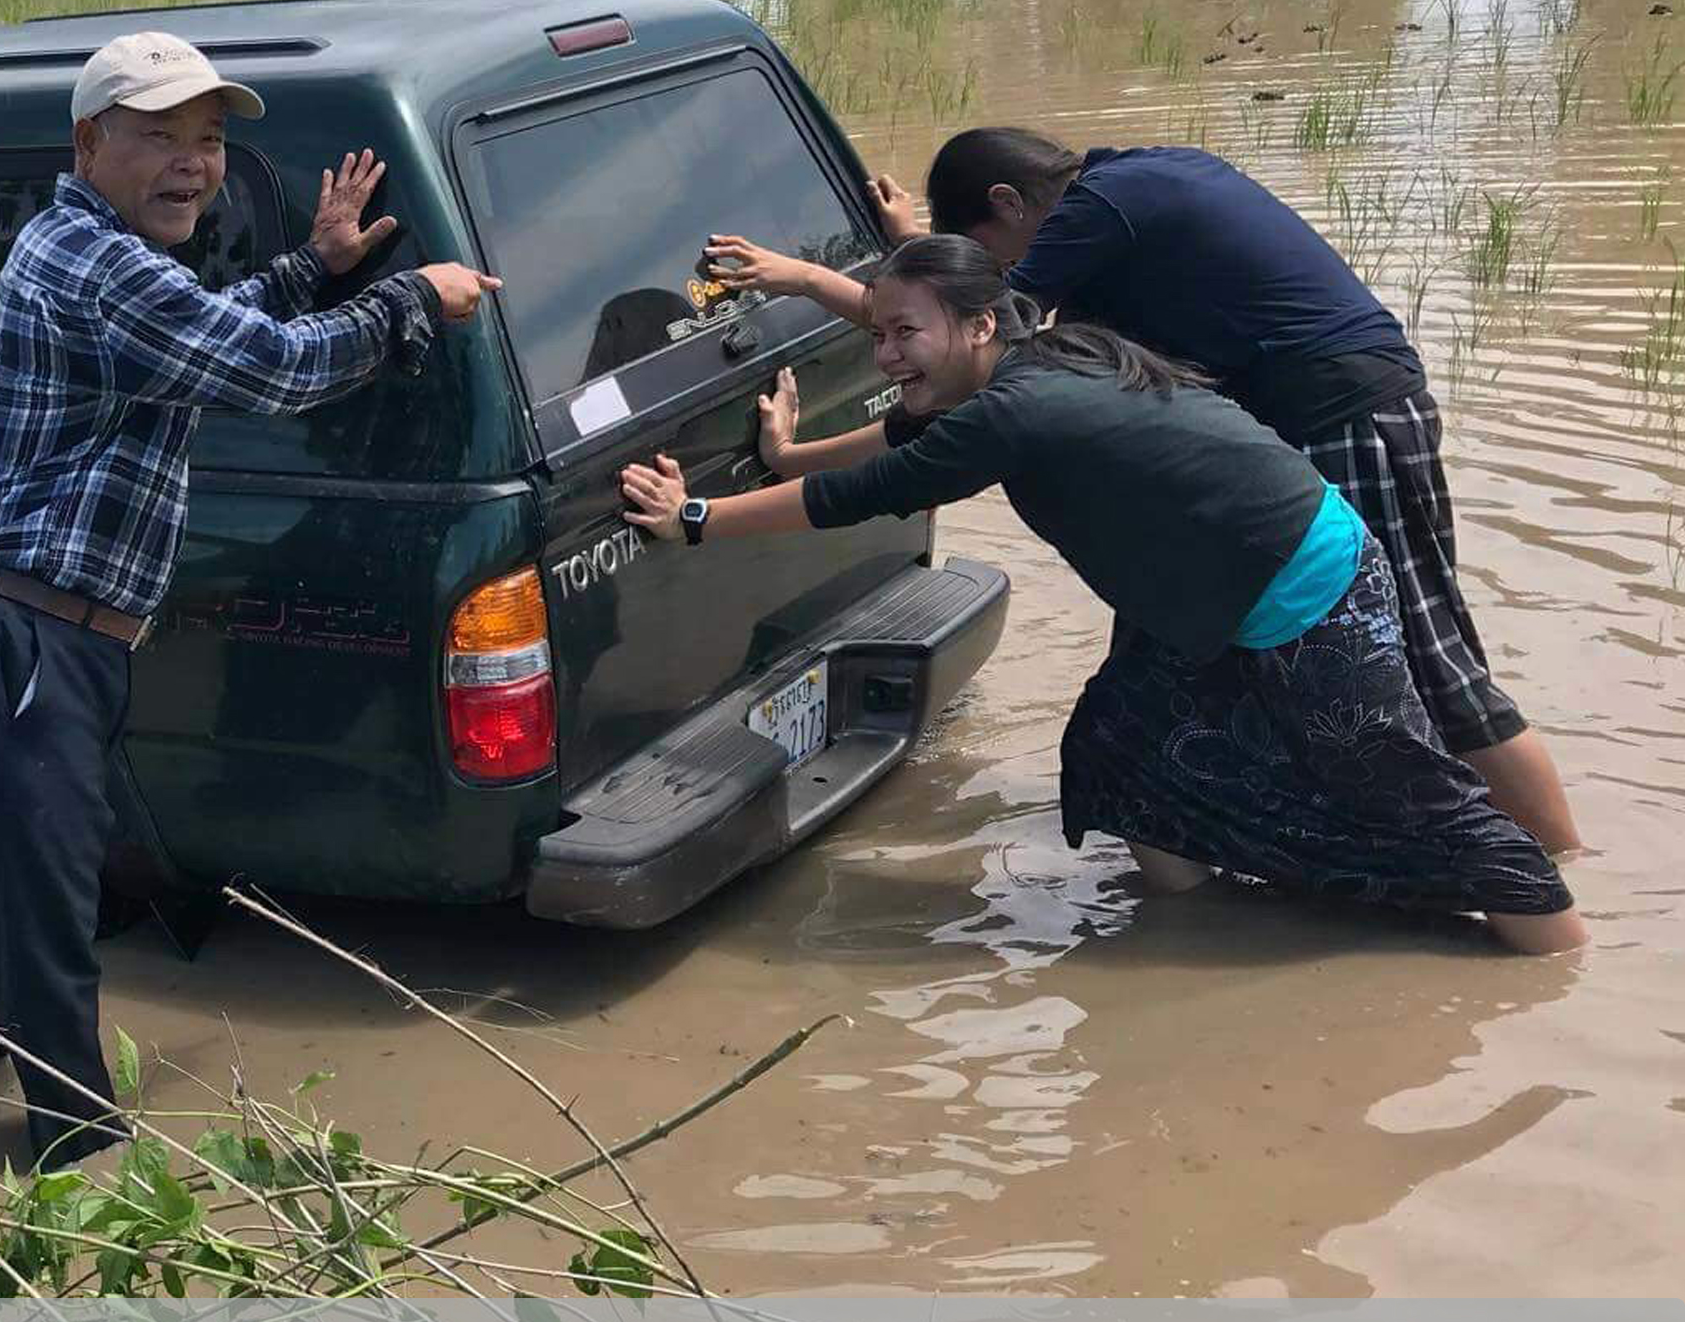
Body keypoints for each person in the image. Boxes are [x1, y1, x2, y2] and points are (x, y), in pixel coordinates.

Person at [620, 236, 1583, 956]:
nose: (886, 357)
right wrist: (781, 457)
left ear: (980, 324)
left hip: (1302, 583)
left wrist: (696, 517)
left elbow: (862, 494)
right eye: (880, 335)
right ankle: (1195, 916)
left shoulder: (1019, 408)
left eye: (904, 333)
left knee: (1403, 789)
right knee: (1121, 746)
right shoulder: (1037, 362)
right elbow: (905, 444)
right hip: (1216, 586)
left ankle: (1557, 949)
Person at [0, 31, 503, 1167]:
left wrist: (315, 265)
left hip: (40, 632)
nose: (195, 163)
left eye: (212, 139)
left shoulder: (109, 252)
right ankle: (76, 1169)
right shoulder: (90, 261)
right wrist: (408, 299)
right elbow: (264, 371)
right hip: (22, 632)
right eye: (162, 136)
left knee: (1, 876)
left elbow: (211, 335)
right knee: (47, 913)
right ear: (90, 142)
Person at [702, 130, 1580, 854]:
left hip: (1342, 418)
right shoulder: (1136, 189)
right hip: (1255, 471)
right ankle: (1213, 869)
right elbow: (953, 362)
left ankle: (1552, 862)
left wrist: (815, 282)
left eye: (996, 255)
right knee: (1152, 700)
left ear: (1011, 206)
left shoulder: (1098, 211)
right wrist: (808, 442)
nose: (1008, 274)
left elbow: (960, 342)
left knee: (1432, 660)